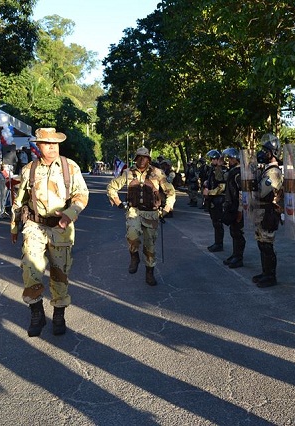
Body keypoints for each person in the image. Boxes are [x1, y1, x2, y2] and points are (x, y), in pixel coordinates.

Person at [10, 128, 89, 337]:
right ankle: (36, 312)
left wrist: (70, 213)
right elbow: (19, 201)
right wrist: (14, 226)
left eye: (54, 143)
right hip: (35, 226)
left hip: (60, 228)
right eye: (46, 143)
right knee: (30, 267)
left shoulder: (69, 167)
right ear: (38, 146)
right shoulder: (29, 169)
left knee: (60, 274)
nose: (52, 147)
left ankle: (58, 314)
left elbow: (81, 194)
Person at [106, 147, 175, 286]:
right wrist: (119, 203)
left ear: (149, 159)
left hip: (152, 213)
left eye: (145, 157)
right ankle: (134, 256)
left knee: (150, 245)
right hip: (134, 211)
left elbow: (170, 192)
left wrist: (166, 209)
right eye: (139, 157)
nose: (142, 159)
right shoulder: (127, 173)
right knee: (132, 235)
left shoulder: (157, 173)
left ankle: (149, 272)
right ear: (135, 158)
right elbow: (111, 187)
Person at [251, 134, 283, 287]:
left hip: (268, 212)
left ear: (272, 153)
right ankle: (265, 272)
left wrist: (252, 183)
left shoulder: (274, 172)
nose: (262, 153)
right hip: (261, 212)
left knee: (267, 245)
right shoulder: (266, 170)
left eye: (266, 150)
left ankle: (271, 276)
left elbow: (263, 191)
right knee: (261, 243)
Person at [221, 147, 245, 268]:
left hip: (237, 207)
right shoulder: (233, 171)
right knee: (233, 231)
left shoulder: (239, 173)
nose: (229, 160)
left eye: (231, 158)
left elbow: (242, 192)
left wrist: (240, 210)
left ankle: (239, 257)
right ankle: (235, 254)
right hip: (231, 206)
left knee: (238, 232)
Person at [203, 150, 226, 252]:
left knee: (218, 223)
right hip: (213, 199)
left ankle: (219, 244)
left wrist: (210, 192)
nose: (211, 161)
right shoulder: (213, 169)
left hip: (218, 199)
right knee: (215, 222)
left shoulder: (221, 170)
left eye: (213, 159)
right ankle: (217, 242)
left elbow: (221, 186)